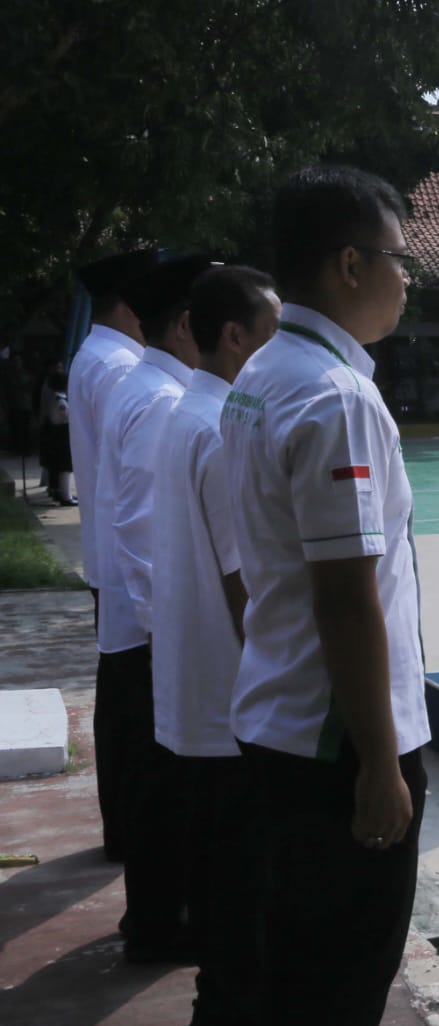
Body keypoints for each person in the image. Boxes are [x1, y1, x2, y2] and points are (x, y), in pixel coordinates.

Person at [220, 164, 428, 1026]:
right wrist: (382, 764)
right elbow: (345, 598)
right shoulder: (336, 397)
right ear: (350, 264)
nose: (409, 277)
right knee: (340, 987)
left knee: (293, 975)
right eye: (399, 257)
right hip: (336, 746)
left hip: (279, 720)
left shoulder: (265, 370)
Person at [151, 264, 280, 1026]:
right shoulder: (224, 424)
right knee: (242, 878)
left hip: (191, 685)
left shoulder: (184, 413)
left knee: (212, 868)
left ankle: (218, 1011)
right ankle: (230, 1022)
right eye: (269, 334)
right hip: (231, 692)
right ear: (233, 336)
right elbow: (246, 585)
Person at [99, 252, 215, 962]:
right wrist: (165, 632)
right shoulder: (164, 401)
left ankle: (154, 914)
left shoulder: (146, 386)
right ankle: (157, 922)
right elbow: (141, 530)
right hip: (155, 632)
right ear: (182, 328)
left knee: (159, 785)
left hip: (148, 626)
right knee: (165, 789)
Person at [66, 247, 157, 862]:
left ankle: (121, 831)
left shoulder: (92, 356)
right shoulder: (124, 367)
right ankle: (131, 834)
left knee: (119, 707)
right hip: (131, 571)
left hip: (108, 559)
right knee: (136, 717)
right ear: (130, 305)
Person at [39, 368, 74, 504]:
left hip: (56, 433)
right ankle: (66, 496)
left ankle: (57, 490)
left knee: (56, 465)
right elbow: (67, 417)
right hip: (62, 434)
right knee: (65, 467)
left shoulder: (54, 397)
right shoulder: (61, 401)